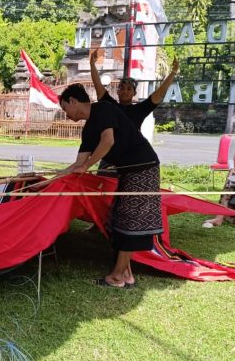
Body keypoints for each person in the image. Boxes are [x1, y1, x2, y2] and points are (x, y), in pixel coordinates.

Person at [59, 83, 163, 288]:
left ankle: (117, 276)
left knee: (130, 220)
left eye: (65, 109)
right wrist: (57, 176)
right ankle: (126, 274)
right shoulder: (88, 130)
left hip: (143, 168)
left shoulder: (103, 109)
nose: (66, 115)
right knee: (116, 218)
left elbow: (108, 141)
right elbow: (78, 164)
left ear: (73, 101)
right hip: (127, 172)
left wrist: (87, 166)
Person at [89, 49, 179, 129]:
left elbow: (160, 93)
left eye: (129, 89)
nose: (125, 91)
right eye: (122, 88)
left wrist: (173, 72)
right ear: (117, 91)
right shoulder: (111, 106)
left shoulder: (139, 110)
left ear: (134, 93)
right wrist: (92, 64)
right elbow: (98, 85)